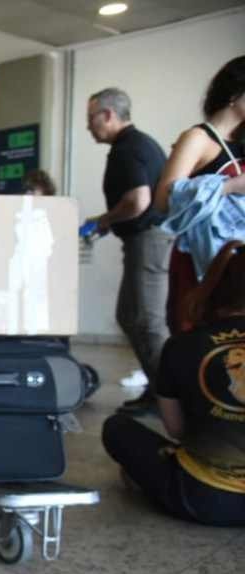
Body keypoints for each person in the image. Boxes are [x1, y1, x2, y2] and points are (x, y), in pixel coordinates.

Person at [102, 241, 245, 527]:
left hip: (203, 499)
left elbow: (177, 430)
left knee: (117, 428)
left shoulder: (181, 346)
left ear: (214, 287)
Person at [87, 87, 173, 416]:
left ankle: (172, 397)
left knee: (149, 322)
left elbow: (138, 201)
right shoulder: (139, 144)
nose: (88, 126)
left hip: (149, 239)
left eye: (91, 118)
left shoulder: (128, 148)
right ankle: (158, 389)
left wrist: (105, 219)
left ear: (108, 115)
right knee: (129, 316)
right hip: (143, 240)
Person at [154, 56, 245, 335]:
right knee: (203, 336)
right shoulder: (198, 138)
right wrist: (229, 186)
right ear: (234, 94)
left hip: (239, 262)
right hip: (204, 261)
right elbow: (163, 200)